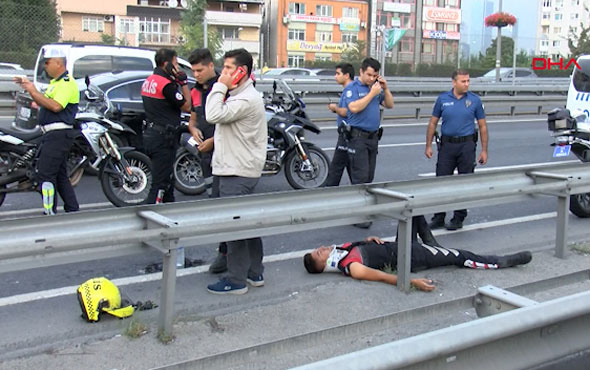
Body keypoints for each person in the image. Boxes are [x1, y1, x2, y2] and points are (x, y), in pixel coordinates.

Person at [205, 49, 267, 295]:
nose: (224, 72)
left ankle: (237, 279)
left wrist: (220, 86)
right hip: (234, 166)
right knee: (247, 223)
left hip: (237, 170)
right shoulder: (241, 95)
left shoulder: (245, 98)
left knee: (235, 227)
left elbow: (212, 114)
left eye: (230, 69)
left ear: (242, 72)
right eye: (224, 68)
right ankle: (254, 272)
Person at [303, 227, 532, 292]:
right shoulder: (352, 268)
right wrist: (413, 282)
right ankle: (499, 262)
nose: (322, 248)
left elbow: (365, 248)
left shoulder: (344, 250)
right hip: (413, 256)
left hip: (402, 245)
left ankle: (436, 247)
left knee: (411, 211)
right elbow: (386, 277)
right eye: (319, 253)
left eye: (319, 248)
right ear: (323, 266)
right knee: (460, 256)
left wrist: (369, 240)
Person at [14, 48, 79, 215]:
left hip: (58, 135)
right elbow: (46, 103)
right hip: (53, 134)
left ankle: (49, 214)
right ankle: (72, 210)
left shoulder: (66, 83)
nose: (45, 66)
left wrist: (33, 91)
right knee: (59, 175)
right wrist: (30, 89)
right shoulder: (55, 84)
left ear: (59, 63)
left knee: (45, 175)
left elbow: (56, 106)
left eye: (47, 62)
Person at [425, 69, 488, 231]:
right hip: (447, 146)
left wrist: (484, 150)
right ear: (454, 82)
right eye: (463, 81)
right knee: (441, 181)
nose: (466, 84)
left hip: (466, 146)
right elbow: (433, 123)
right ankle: (438, 217)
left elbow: (482, 126)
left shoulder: (474, 100)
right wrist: (428, 145)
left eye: (468, 81)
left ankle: (458, 217)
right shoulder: (443, 99)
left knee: (464, 182)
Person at [186, 48, 229, 274]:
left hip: (225, 152)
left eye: (199, 70)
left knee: (226, 205)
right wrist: (193, 130)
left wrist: (213, 140)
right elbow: (193, 118)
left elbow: (230, 122)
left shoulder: (224, 87)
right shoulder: (195, 91)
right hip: (205, 154)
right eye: (193, 71)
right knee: (214, 203)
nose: (196, 75)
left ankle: (226, 253)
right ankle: (224, 250)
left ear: (211, 66)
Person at [342, 57, 394, 228]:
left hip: (373, 138)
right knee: (360, 177)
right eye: (369, 75)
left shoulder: (376, 89)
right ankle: (359, 216)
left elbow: (390, 104)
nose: (372, 79)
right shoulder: (353, 88)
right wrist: (372, 93)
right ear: (362, 72)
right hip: (358, 138)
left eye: (375, 76)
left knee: (369, 177)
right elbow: (354, 108)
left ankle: (364, 211)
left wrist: (385, 90)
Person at [141, 48, 191, 204]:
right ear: (167, 64)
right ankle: (151, 214)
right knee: (160, 183)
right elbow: (187, 106)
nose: (177, 67)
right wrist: (183, 83)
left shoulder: (149, 80)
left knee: (167, 181)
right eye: (176, 63)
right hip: (164, 138)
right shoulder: (166, 84)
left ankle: (170, 211)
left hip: (151, 134)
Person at [325, 62, 354, 187]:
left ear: (346, 75)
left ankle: (329, 194)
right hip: (347, 133)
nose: (335, 76)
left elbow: (349, 112)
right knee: (351, 168)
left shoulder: (350, 90)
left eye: (338, 73)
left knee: (336, 168)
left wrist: (335, 108)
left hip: (348, 134)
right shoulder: (348, 89)